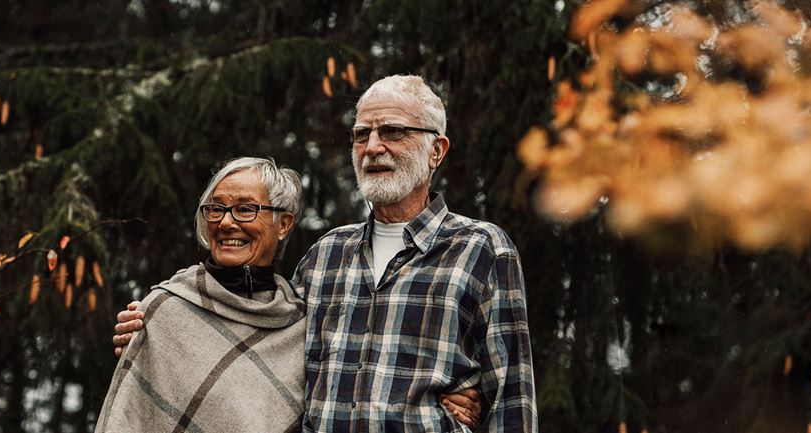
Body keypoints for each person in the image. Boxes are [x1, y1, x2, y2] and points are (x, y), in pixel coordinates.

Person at [117, 75, 534, 432]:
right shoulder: (326, 255)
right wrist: (164, 327)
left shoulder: (483, 248)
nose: (372, 147)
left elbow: (512, 398)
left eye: (392, 132)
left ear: (436, 151)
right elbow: (264, 343)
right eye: (360, 135)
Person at [97, 156, 481, 433]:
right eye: (215, 209)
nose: (228, 222)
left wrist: (441, 400)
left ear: (284, 224)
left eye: (246, 209)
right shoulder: (165, 310)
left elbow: (351, 376)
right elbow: (130, 417)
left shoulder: (299, 319)